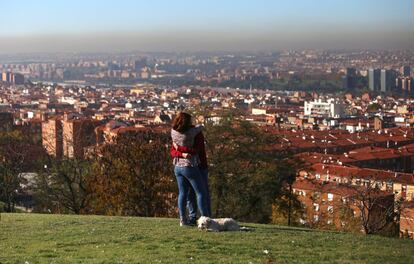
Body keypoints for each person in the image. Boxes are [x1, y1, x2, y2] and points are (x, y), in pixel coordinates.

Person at [171, 112, 209, 226]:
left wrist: (179, 150)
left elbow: (173, 150)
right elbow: (200, 127)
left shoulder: (173, 132)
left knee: (182, 193)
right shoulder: (191, 133)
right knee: (201, 192)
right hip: (189, 166)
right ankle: (206, 219)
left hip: (177, 166)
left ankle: (183, 219)